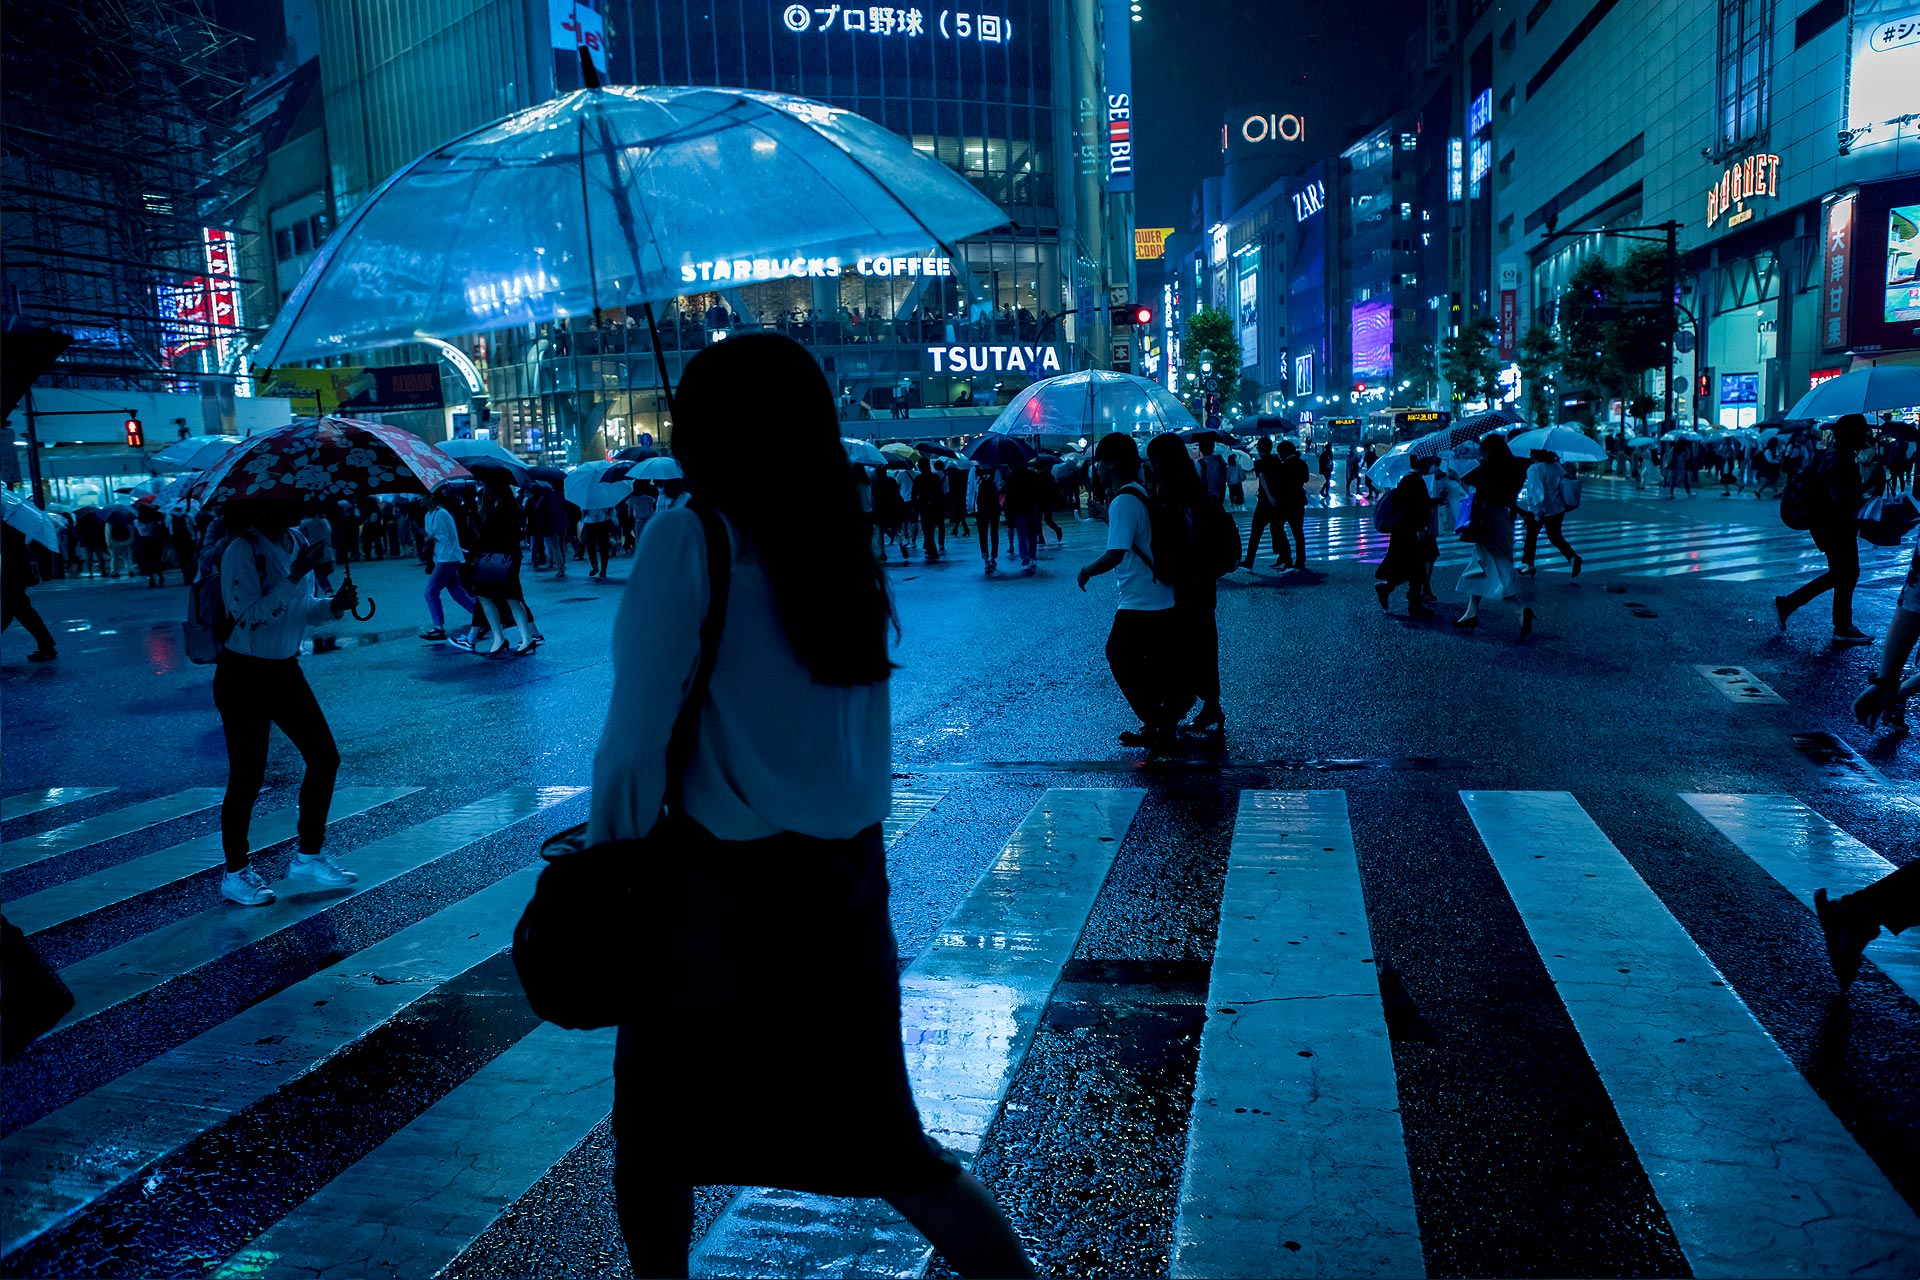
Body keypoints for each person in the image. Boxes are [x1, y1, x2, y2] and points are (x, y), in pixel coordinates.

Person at [589, 334, 1033, 1279]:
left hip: (714, 904)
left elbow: (632, 741)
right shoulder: (836, 543)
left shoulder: (690, 536)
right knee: (891, 1151)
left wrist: (608, 867)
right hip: (840, 897)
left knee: (659, 1138)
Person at [210, 500, 360, 906]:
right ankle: (236, 872)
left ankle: (308, 856)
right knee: (248, 776)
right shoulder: (242, 550)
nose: (294, 499)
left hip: (283, 669)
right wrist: (295, 575)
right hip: (243, 672)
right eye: (281, 494)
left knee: (325, 757)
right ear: (258, 506)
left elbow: (302, 611)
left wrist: (334, 606)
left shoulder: (296, 540)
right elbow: (249, 617)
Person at [1077, 433, 1182, 750]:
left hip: (1140, 599)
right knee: (1149, 661)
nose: (1096, 469)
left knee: (1119, 655)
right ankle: (1163, 716)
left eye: (1098, 462)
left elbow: (1116, 553)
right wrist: (1107, 516)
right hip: (1157, 594)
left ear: (1111, 463)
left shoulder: (1123, 500)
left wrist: (1086, 571)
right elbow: (1134, 533)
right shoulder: (1135, 492)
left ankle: (1157, 719)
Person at [1146, 433, 1223, 732]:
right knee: (1202, 643)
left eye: (1154, 460)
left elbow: (1171, 540)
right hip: (1202, 580)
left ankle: (1186, 704)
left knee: (1184, 645)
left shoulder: (1171, 497)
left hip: (1184, 582)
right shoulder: (1194, 490)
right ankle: (1207, 705)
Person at [1776, 413, 1871, 644]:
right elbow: (1841, 499)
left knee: (1843, 573)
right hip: (1836, 527)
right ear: (1850, 434)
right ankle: (1841, 626)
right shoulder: (1840, 461)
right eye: (1862, 431)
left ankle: (1790, 605)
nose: (1866, 435)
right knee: (1846, 573)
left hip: (1828, 527)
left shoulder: (1833, 456)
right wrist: (1866, 492)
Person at [1453, 433, 1535, 638]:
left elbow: (1479, 493)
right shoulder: (1515, 468)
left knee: (1497, 566)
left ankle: (1519, 610)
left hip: (1487, 521)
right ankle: (1471, 612)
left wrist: (1460, 478)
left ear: (1488, 451)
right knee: (1479, 564)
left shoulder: (1489, 469)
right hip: (1504, 519)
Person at [470, 477, 538, 654]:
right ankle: (526, 638)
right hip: (509, 559)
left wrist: (479, 519)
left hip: (495, 560)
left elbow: (485, 536)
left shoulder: (499, 511)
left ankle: (499, 638)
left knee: (485, 597)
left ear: (495, 490)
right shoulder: (511, 508)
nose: (486, 492)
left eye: (488, 489)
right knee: (512, 598)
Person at [1374, 469, 1437, 616]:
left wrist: (1437, 500)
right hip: (1411, 533)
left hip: (1401, 532)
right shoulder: (1415, 481)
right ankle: (1405, 599)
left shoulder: (1406, 480)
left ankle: (1409, 600)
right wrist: (1420, 528)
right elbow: (1416, 506)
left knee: (1411, 568)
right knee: (1415, 567)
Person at [420, 490, 477, 642]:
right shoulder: (428, 515)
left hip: (448, 557)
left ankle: (438, 627)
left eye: (422, 496)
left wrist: (431, 537)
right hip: (440, 557)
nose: (420, 499)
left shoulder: (442, 514)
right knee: (457, 592)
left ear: (430, 498)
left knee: (430, 592)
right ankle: (482, 617)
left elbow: (448, 536)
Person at [1518, 450, 1583, 578]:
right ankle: (1572, 557)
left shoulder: (1534, 469)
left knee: (1531, 537)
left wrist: (1538, 510)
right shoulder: (1556, 465)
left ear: (1535, 455)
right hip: (1557, 508)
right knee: (1555, 536)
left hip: (1540, 509)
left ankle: (1528, 564)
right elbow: (1565, 480)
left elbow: (1536, 491)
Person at [2, 523, 58, 662]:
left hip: (10, 576)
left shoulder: (7, 528)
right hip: (14, 575)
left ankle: (47, 645)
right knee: (18, 611)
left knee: (18, 610)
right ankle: (47, 645)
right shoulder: (14, 525)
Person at [1002, 456, 1045, 574]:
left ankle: (1025, 559)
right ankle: (1032, 557)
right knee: (1032, 536)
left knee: (1022, 536)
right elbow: (1038, 492)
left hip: (1019, 510)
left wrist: (1009, 513)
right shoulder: (1032, 475)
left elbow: (1009, 497)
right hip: (1031, 509)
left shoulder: (1011, 477)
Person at [297, 503, 335, 598]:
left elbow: (302, 539)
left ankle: (322, 592)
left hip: (314, 553)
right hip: (327, 553)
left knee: (316, 575)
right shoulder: (325, 522)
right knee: (321, 575)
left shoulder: (304, 524)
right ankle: (326, 590)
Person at [912, 458, 946, 560]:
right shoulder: (935, 477)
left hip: (923, 506)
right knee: (931, 527)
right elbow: (939, 493)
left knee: (927, 528)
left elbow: (914, 494)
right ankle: (930, 547)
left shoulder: (918, 479)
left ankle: (931, 549)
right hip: (935, 505)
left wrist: (914, 507)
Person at [973, 461, 1002, 574]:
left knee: (982, 532)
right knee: (994, 531)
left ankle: (985, 558)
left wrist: (971, 506)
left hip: (981, 505)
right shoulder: (996, 470)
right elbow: (999, 487)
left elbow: (972, 489)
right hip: (994, 504)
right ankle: (993, 557)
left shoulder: (974, 469)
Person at [581, 504, 616, 577]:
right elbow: (611, 509)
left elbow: (584, 511)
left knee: (590, 546)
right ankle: (603, 570)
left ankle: (594, 565)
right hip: (604, 521)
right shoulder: (606, 495)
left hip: (590, 521)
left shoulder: (587, 496)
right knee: (604, 547)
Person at [1195, 438, 1228, 507]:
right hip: (1218, 498)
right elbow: (1223, 480)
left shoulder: (1198, 464)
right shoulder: (1220, 463)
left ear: (1200, 449)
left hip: (1204, 500)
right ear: (1213, 447)